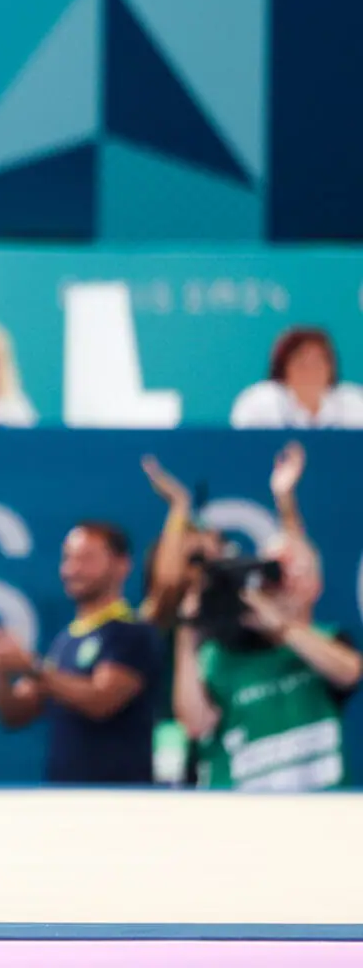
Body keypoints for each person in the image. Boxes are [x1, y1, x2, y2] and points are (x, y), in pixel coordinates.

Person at [173, 443, 361, 790]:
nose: (281, 581)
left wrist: (284, 628)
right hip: (244, 821)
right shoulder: (222, 654)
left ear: (314, 587)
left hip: (323, 820)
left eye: (291, 573)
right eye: (272, 571)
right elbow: (196, 723)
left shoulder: (327, 641)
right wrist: (187, 634)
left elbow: (349, 671)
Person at [0, 522, 160, 785]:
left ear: (122, 565)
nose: (72, 569)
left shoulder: (133, 634)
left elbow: (101, 701)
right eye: (68, 558)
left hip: (119, 804)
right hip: (64, 803)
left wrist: (31, 668)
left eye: (86, 559)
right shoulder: (65, 641)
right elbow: (14, 713)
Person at [229, 325, 363, 428]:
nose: (311, 371)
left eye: (318, 362)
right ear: (283, 368)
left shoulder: (354, 402)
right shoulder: (258, 402)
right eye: (301, 363)